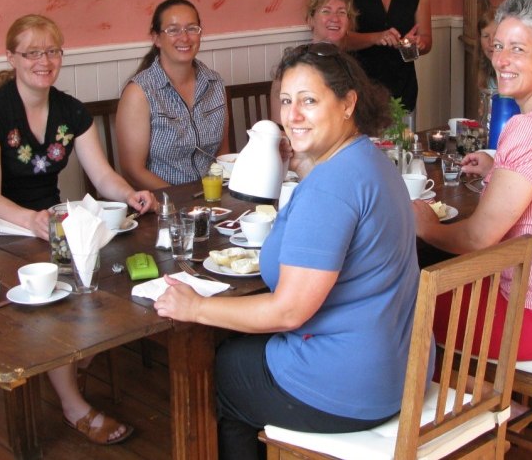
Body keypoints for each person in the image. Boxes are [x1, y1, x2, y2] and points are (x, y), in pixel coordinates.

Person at [154, 42, 424, 459]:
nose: (292, 115)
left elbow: (288, 312)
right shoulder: (369, 161)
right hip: (400, 367)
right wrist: (301, 164)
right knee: (238, 353)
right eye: (285, 101)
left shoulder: (330, 188)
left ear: (348, 103)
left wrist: (195, 309)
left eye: (309, 101)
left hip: (350, 388)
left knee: (220, 372)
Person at [0, 14, 155, 445]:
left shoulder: (70, 109)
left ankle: (76, 356)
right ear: (11, 57)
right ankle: (74, 406)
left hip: (52, 223)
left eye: (52, 51)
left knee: (110, 271)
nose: (43, 61)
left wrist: (130, 194)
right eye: (32, 52)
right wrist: (31, 220)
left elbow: (103, 174)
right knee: (52, 296)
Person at [413, 0, 532, 361]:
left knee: (405, 308)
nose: (500, 59)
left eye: (517, 49)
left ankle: (481, 400)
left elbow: (477, 237)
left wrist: (424, 226)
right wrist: (499, 168)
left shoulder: (531, 127)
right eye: (498, 46)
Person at [116, 0, 228, 189]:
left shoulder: (215, 83)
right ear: (156, 38)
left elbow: (223, 155)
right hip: (163, 204)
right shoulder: (139, 92)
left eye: (192, 28)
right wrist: (181, 201)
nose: (184, 38)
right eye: (173, 30)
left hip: (212, 197)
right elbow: (132, 171)